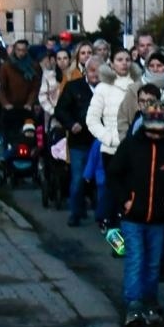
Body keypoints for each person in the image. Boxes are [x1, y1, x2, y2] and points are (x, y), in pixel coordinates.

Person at [107, 84, 164, 327]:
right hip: (133, 216)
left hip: (158, 218)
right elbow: (114, 174)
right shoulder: (131, 146)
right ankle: (134, 303)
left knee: (153, 262)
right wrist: (125, 201)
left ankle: (150, 300)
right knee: (136, 258)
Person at [85, 47, 138, 228]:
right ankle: (116, 244)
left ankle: (130, 241)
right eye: (119, 59)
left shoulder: (138, 84)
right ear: (112, 63)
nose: (124, 63)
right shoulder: (103, 87)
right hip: (111, 149)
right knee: (112, 196)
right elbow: (92, 119)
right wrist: (108, 138)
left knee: (130, 196)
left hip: (134, 149)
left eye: (127, 59)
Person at [54, 55, 105, 226]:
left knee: (101, 180)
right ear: (86, 71)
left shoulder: (108, 89)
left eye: (99, 71)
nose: (95, 75)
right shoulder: (73, 87)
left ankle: (101, 215)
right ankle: (75, 212)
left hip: (100, 141)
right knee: (78, 179)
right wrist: (71, 124)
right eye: (91, 71)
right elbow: (60, 110)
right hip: (79, 141)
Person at [0, 39, 41, 156]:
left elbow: (35, 87)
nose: (21, 53)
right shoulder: (6, 66)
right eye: (18, 50)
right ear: (14, 50)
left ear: (27, 51)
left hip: (26, 108)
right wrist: (5, 103)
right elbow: (0, 87)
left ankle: (28, 159)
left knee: (28, 134)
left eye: (23, 50)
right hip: (10, 108)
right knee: (10, 136)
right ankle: (7, 158)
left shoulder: (33, 66)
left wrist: (30, 102)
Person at [38, 48, 68, 118]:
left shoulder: (74, 75)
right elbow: (42, 96)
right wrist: (52, 111)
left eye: (65, 58)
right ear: (54, 60)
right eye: (59, 59)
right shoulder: (47, 75)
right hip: (53, 115)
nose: (62, 61)